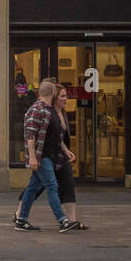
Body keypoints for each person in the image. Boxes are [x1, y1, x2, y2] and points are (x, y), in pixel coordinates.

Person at [14, 79, 79, 233]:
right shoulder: (38, 109)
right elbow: (31, 135)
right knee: (51, 186)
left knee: (33, 187)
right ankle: (62, 220)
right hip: (41, 155)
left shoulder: (48, 109)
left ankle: (21, 220)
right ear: (53, 93)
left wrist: (65, 150)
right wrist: (32, 157)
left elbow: (55, 136)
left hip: (48, 154)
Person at [54, 85, 86, 230]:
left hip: (62, 155)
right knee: (36, 186)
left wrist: (66, 151)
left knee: (68, 183)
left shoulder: (63, 112)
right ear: (54, 97)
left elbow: (62, 136)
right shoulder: (49, 112)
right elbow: (53, 136)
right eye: (62, 96)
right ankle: (19, 214)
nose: (66, 99)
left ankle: (71, 219)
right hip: (50, 155)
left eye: (66, 95)